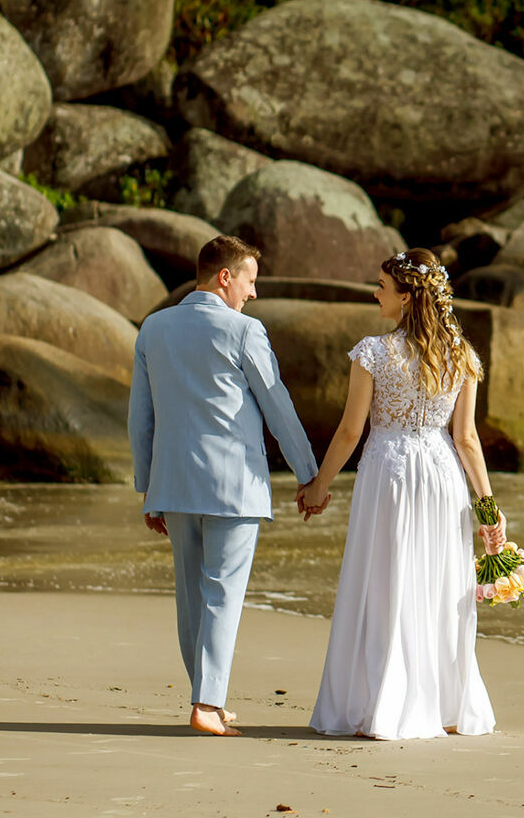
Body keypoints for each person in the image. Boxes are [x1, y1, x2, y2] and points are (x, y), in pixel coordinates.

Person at [303, 247, 505, 740]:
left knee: (386, 584)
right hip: (440, 475)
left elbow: (351, 432)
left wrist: (318, 487)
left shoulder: (374, 352)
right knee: (437, 584)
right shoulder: (462, 356)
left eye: (382, 286)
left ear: (408, 296)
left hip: (389, 473)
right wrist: (487, 509)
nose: (375, 294)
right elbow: (466, 439)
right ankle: (442, 707)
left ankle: (383, 704)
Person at [130, 235, 322, 737]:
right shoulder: (244, 331)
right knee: (223, 592)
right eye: (250, 281)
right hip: (234, 483)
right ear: (225, 277)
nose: (253, 293)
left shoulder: (153, 328)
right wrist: (309, 474)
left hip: (173, 482)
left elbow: (140, 418)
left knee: (191, 596)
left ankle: (205, 695)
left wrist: (146, 485)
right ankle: (207, 703)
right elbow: (278, 405)